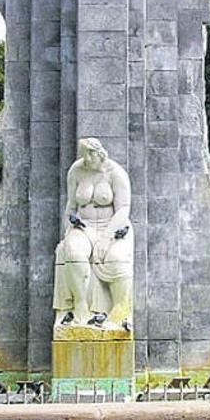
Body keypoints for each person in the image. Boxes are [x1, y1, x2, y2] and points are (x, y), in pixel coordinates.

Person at [53, 138, 133, 332]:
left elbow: (123, 209)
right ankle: (80, 307)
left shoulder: (116, 173)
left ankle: (120, 311)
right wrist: (68, 229)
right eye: (84, 155)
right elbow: (71, 206)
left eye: (90, 154)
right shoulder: (77, 170)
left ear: (100, 153)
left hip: (112, 226)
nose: (86, 159)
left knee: (116, 258)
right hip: (84, 226)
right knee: (72, 251)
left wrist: (106, 238)